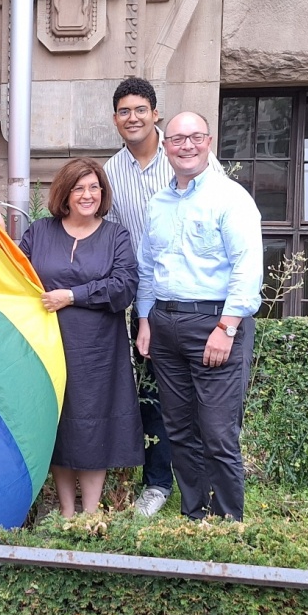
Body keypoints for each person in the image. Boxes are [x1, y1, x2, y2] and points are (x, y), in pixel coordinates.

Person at [135, 112, 263, 522]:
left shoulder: (231, 198)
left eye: (195, 137)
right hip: (165, 326)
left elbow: (247, 268)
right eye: (176, 139)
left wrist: (227, 328)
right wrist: (144, 321)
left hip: (215, 324)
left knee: (218, 433)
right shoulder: (159, 204)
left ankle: (229, 524)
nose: (186, 145)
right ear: (165, 146)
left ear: (209, 142)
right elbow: (146, 268)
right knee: (180, 431)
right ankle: (195, 516)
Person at [19, 158, 142, 517]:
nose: (87, 195)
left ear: (102, 193)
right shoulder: (40, 232)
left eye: (94, 187)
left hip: (99, 351)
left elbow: (124, 287)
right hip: (49, 346)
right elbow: (15, 273)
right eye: (79, 188)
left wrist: (72, 296)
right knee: (59, 424)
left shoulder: (115, 235)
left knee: (93, 423)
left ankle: (90, 515)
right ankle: (66, 513)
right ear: (65, 193)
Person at [102, 76, 176, 517]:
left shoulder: (185, 154)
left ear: (155, 114)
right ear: (116, 120)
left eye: (140, 110)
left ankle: (204, 480)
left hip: (198, 298)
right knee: (153, 395)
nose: (133, 118)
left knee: (203, 395)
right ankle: (157, 484)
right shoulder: (110, 173)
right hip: (147, 303)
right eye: (125, 112)